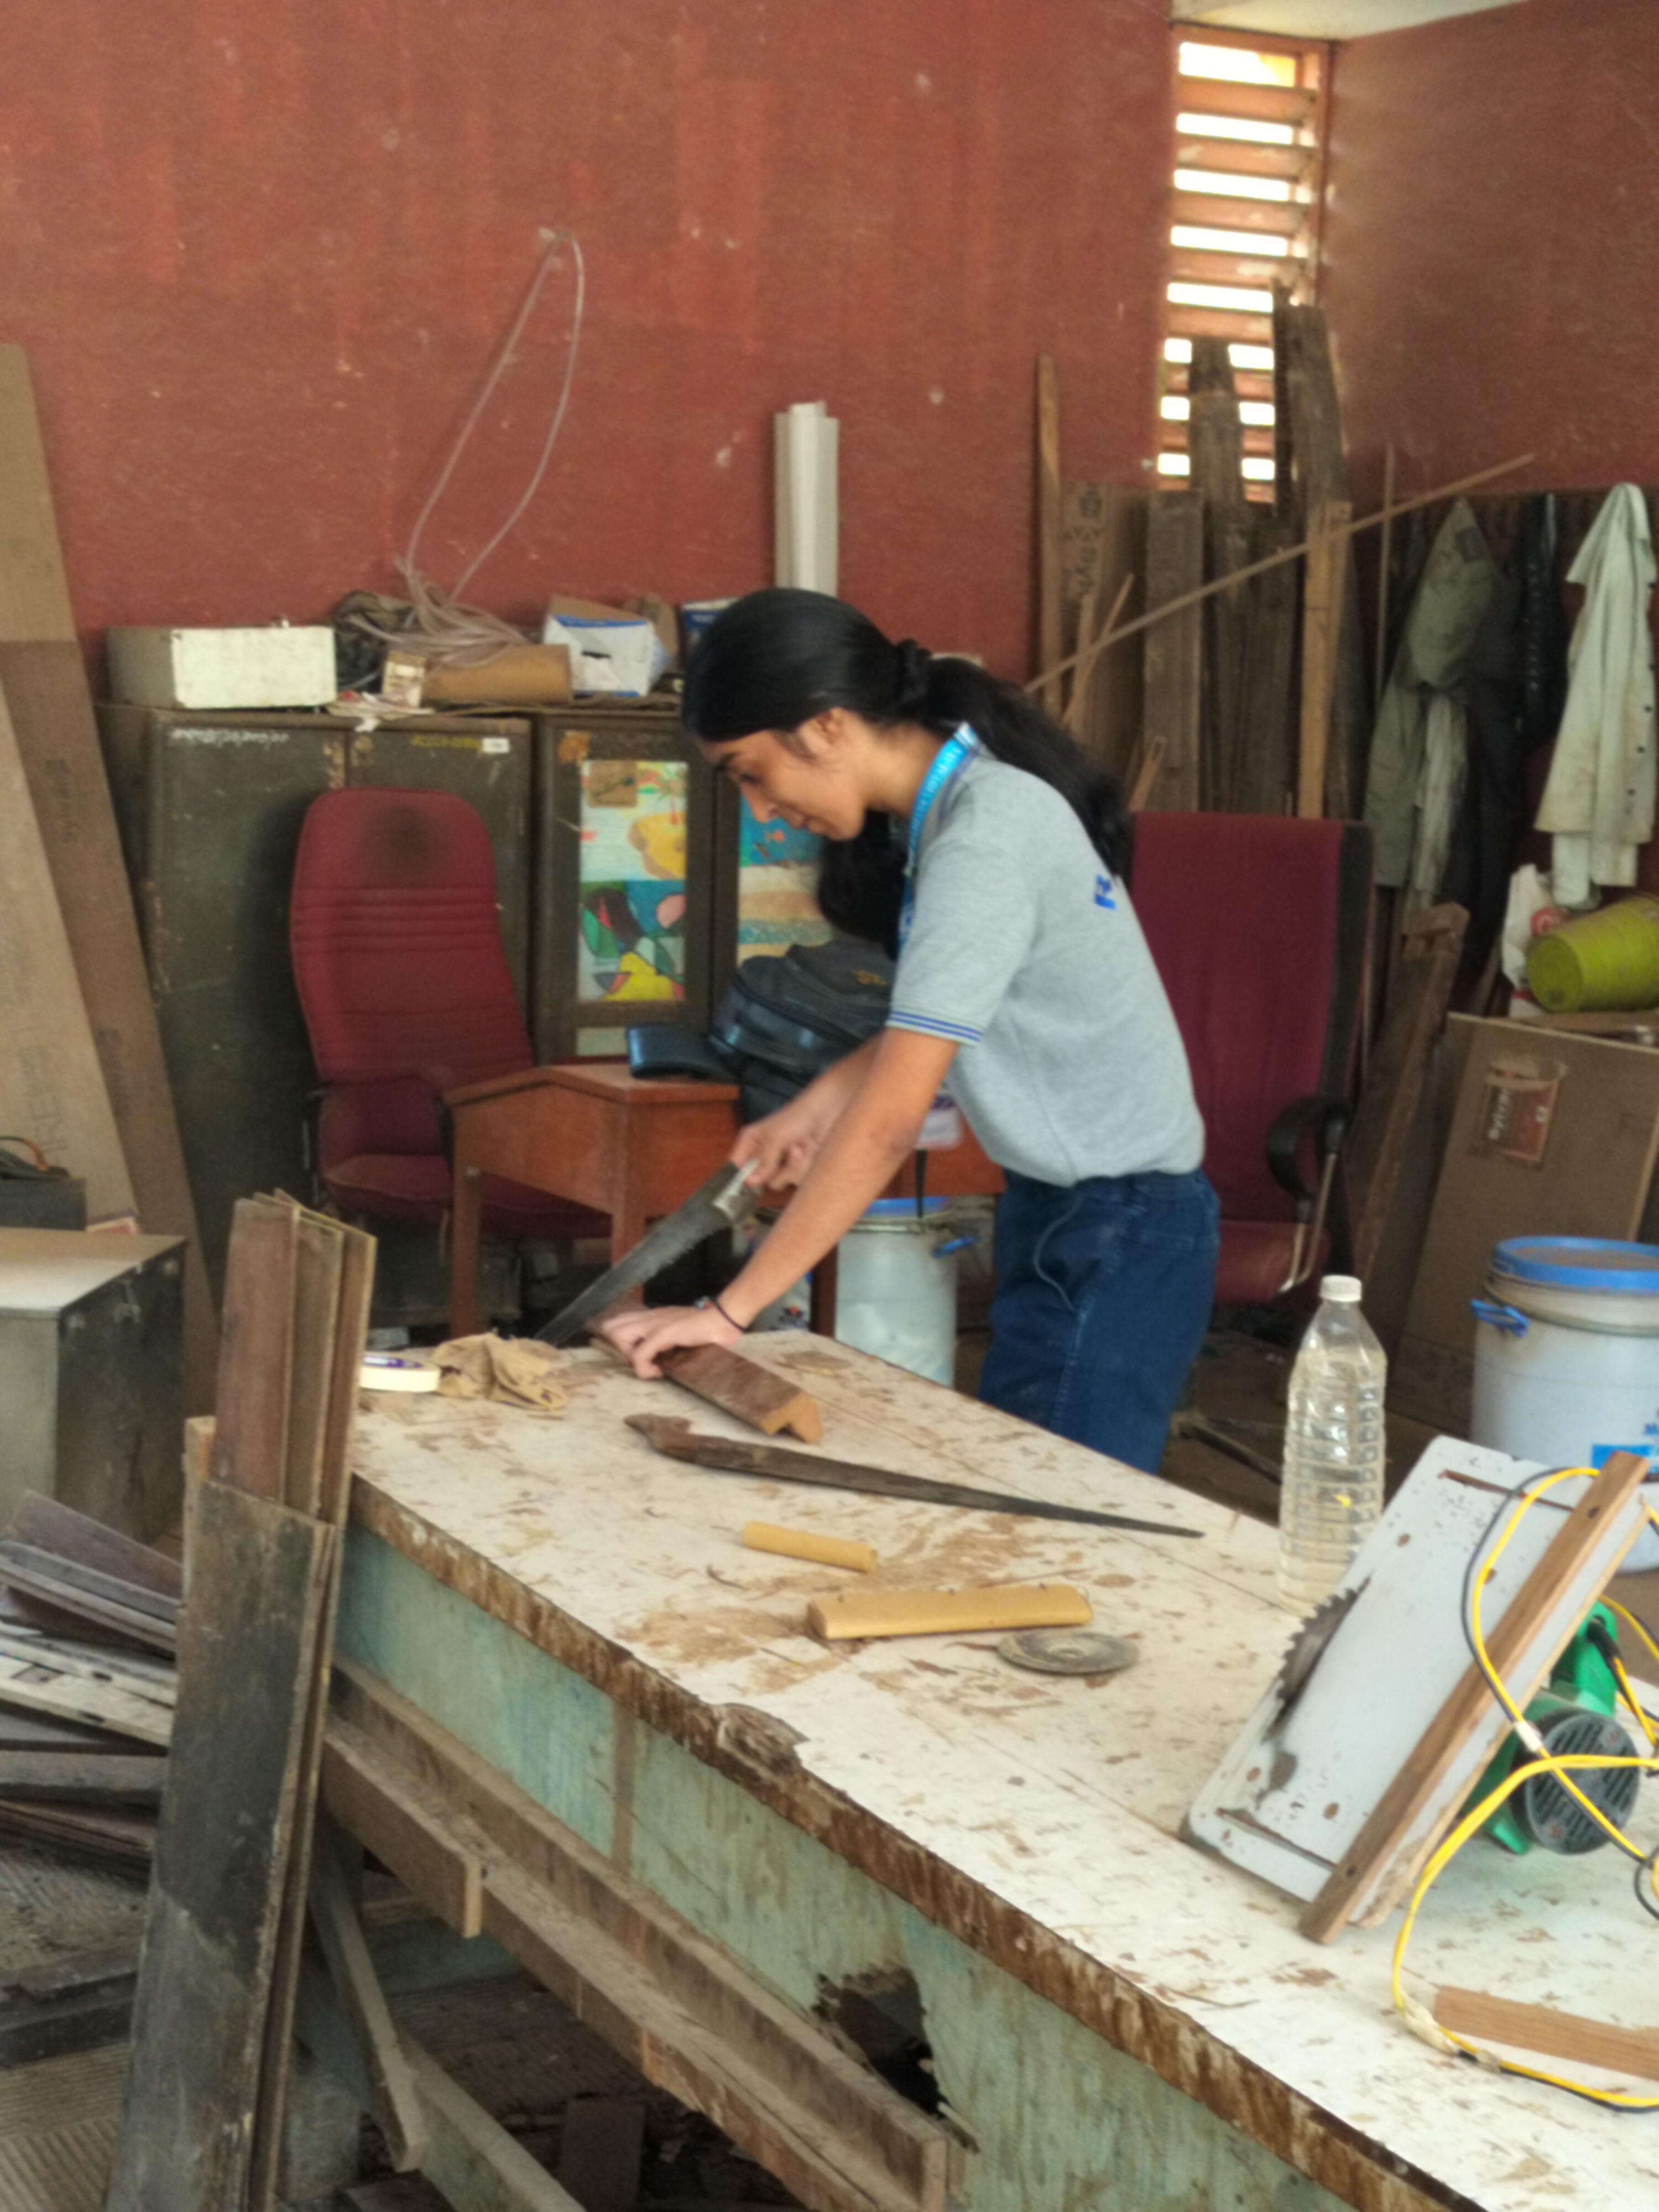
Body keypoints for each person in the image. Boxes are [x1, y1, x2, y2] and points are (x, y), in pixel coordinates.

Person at [601, 587, 1217, 1473]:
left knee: (1075, 1529)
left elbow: (893, 1121)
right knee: (1040, 1500)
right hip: (1079, 1217)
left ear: (822, 728)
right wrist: (816, 1103)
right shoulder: (965, 809)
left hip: (1117, 1231)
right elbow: (934, 1028)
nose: (764, 813)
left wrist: (727, 1315)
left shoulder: (983, 839)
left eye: (749, 774)